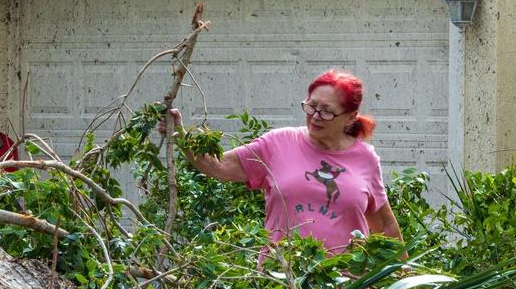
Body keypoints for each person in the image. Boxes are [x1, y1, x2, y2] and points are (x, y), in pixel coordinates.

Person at [160, 69, 403, 254]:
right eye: (311, 107)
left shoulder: (365, 158)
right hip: (282, 286)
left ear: (350, 118)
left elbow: (384, 226)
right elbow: (218, 166)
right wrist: (182, 135)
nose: (315, 117)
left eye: (327, 111)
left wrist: (407, 287)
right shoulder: (278, 143)